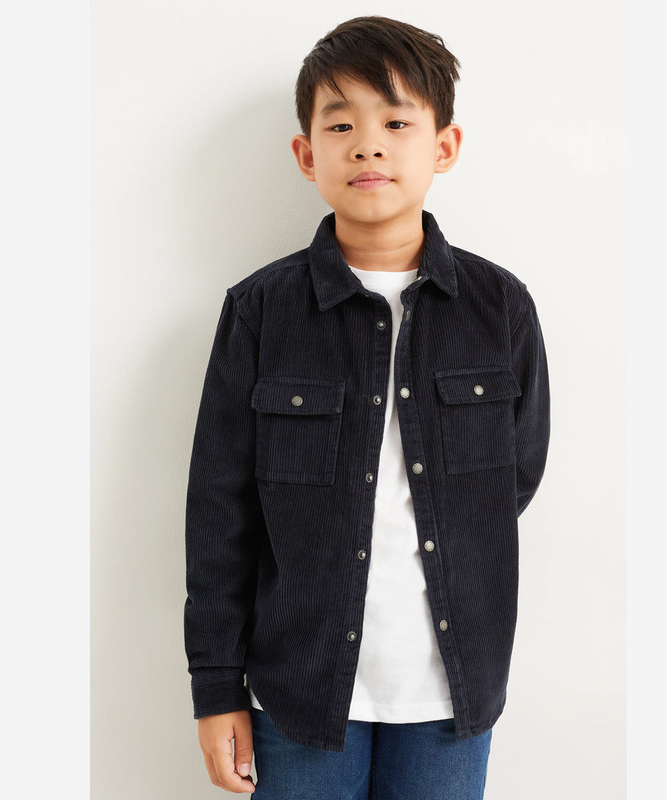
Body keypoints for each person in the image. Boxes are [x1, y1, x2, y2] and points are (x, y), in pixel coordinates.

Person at [184, 15, 550, 799]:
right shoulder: (261, 312)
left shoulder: (500, 309)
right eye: (341, 124)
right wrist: (216, 689)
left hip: (452, 694)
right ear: (306, 153)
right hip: (298, 687)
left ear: (444, 146)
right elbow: (219, 512)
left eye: (396, 123)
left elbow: (513, 478)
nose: (368, 146)